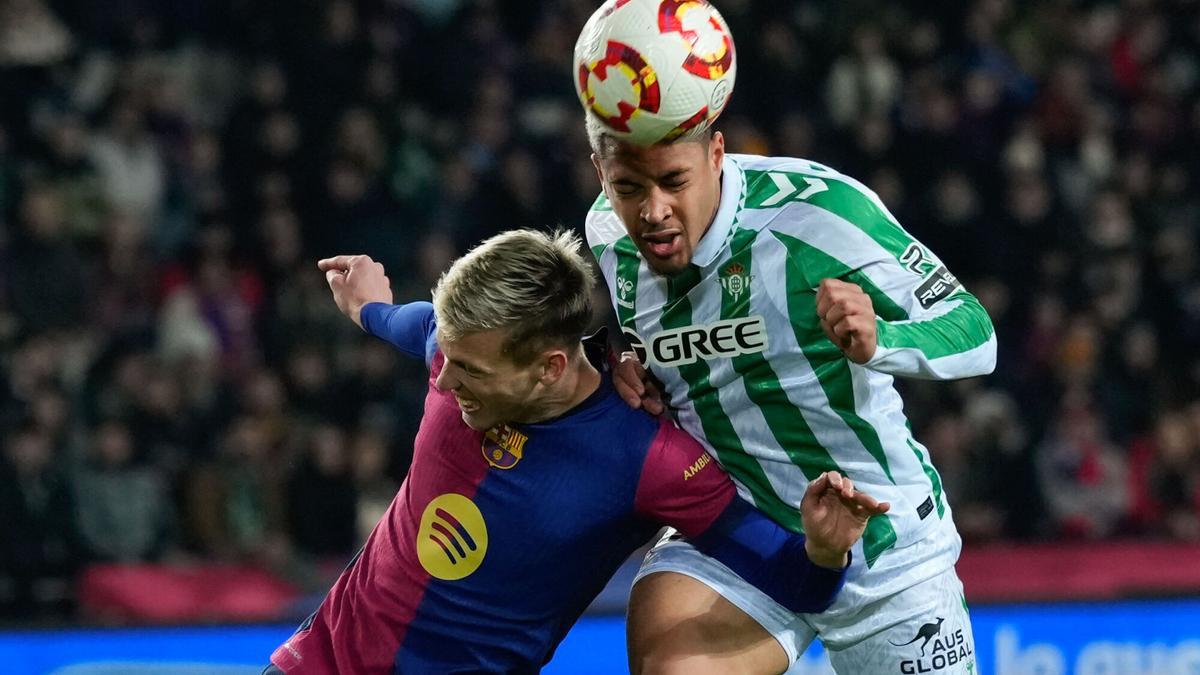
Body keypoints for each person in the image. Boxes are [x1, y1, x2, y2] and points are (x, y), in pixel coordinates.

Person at [266, 229, 890, 674]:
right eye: (447, 359)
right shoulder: (455, 348)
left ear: (550, 367)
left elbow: (794, 582)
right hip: (314, 663)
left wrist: (824, 550)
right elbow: (412, 324)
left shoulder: (650, 459)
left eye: (470, 371)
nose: (445, 380)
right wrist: (368, 305)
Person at [583, 93, 996, 675]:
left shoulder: (818, 213)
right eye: (628, 188)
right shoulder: (607, 233)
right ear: (601, 173)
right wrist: (627, 363)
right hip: (740, 531)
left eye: (674, 181)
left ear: (716, 154)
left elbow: (976, 332)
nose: (653, 211)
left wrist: (882, 339)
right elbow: (669, 346)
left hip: (878, 544)